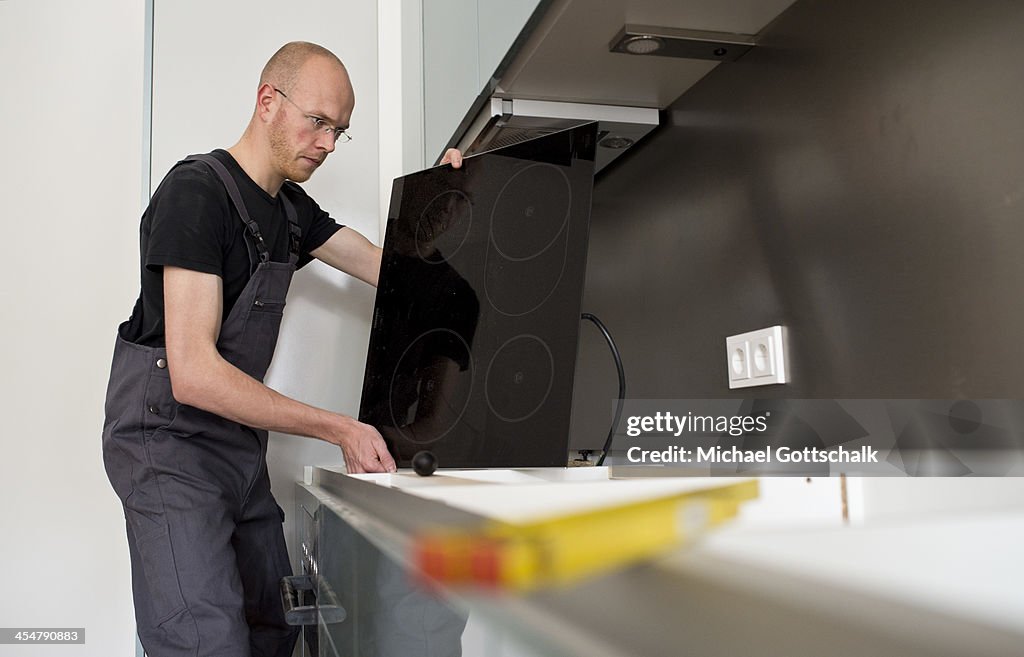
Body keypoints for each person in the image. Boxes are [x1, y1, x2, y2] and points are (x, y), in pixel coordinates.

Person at [101, 41, 463, 657]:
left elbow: (400, 274)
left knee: (276, 628)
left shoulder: (292, 213)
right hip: (168, 447)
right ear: (268, 100)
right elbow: (192, 373)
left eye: (339, 131)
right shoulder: (195, 194)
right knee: (203, 640)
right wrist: (338, 429)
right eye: (318, 121)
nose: (326, 143)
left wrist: (451, 195)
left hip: (237, 449)